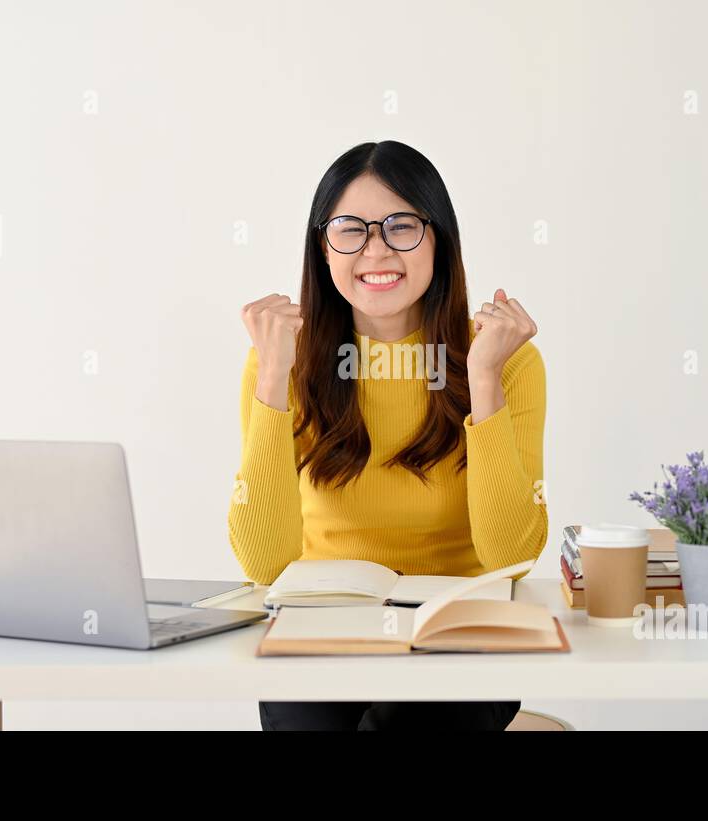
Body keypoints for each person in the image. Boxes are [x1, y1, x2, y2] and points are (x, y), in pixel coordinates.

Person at [229, 140, 546, 730]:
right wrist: (275, 375)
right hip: (323, 624)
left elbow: (514, 556)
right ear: (322, 247)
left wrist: (483, 379)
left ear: (439, 240)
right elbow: (264, 562)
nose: (376, 250)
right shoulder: (279, 360)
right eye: (350, 229)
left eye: (402, 226)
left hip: (461, 631)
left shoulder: (505, 361)